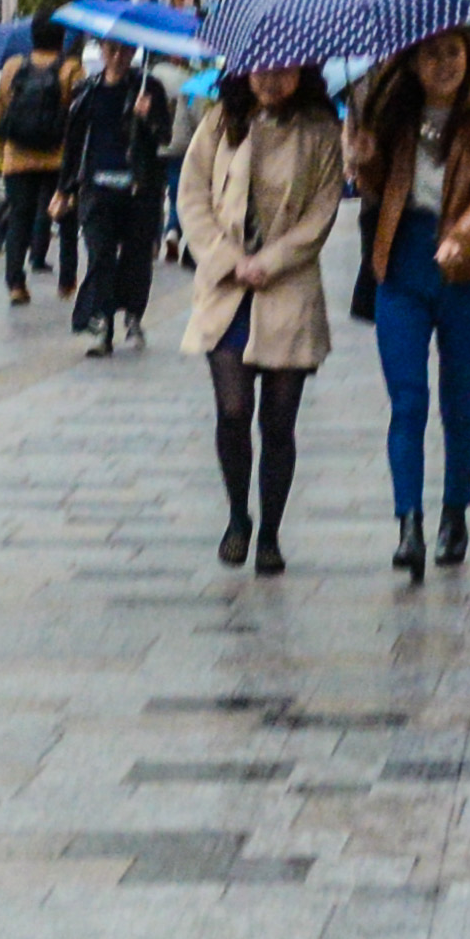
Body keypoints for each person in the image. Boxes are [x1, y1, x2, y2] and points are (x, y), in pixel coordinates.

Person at [351, 20, 470, 578]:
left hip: (465, 271)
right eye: (429, 55)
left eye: (452, 53)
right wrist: (365, 155)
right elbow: (377, 188)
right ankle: (409, 524)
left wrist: (462, 237)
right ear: (411, 63)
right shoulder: (390, 116)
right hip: (401, 267)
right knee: (407, 401)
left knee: (458, 399)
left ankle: (455, 511)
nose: (442, 64)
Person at [185, 54, 346, 572]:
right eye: (261, 69)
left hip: (287, 288)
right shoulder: (219, 122)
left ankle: (271, 531)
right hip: (227, 288)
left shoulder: (320, 131)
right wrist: (227, 259)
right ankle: (238, 515)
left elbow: (322, 212)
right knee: (233, 411)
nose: (271, 80)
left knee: (278, 422)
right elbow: (192, 197)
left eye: (284, 70)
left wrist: (270, 262)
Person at [61, 47, 170, 350]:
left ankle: (133, 314)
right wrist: (64, 189)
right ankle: (102, 324)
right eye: (111, 49)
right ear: (102, 49)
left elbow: (164, 136)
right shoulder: (88, 90)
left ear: (133, 51)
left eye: (124, 49)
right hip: (96, 190)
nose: (118, 56)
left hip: (138, 188)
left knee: (136, 258)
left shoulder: (149, 87)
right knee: (101, 255)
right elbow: (73, 144)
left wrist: (148, 118)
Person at [0, 28, 78, 299]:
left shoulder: (13, 67)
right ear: (62, 39)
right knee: (66, 220)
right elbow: (79, 119)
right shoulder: (71, 69)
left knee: (20, 219)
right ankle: (66, 282)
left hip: (18, 159)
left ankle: (16, 284)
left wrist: (2, 151)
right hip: (58, 159)